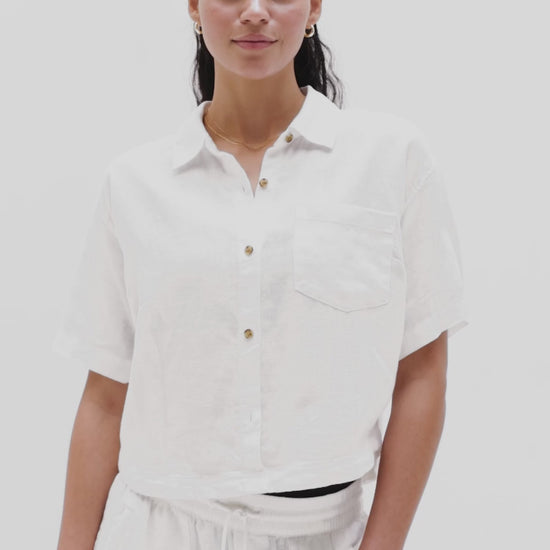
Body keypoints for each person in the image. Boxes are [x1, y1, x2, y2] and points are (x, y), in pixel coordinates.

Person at [52, 1, 469, 549]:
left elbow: (421, 373)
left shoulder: (390, 161)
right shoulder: (134, 184)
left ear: (314, 6)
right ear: (195, 7)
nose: (254, 11)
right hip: (156, 526)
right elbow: (106, 396)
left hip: (323, 530)